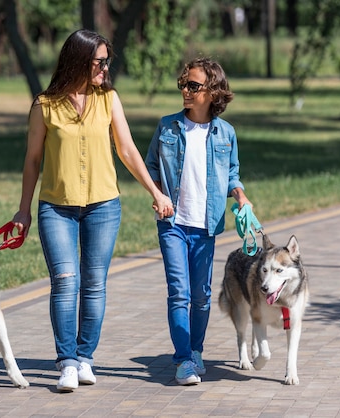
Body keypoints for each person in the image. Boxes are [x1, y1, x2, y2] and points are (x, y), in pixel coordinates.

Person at [12, 29, 174, 392]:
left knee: (95, 284)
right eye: (99, 61)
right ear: (78, 61)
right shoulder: (45, 105)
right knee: (66, 282)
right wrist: (23, 211)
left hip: (103, 205)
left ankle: (85, 357)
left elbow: (128, 150)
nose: (105, 68)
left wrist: (155, 192)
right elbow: (32, 161)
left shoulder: (108, 99)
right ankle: (66, 361)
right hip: (57, 207)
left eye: (106, 61)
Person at [145, 58, 252, 385]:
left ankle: (195, 350)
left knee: (202, 294)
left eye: (193, 86)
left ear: (213, 91)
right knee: (179, 292)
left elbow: (232, 172)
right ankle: (183, 362)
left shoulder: (226, 133)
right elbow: (150, 166)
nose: (186, 91)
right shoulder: (167, 127)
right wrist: (157, 193)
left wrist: (241, 197)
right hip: (172, 223)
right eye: (183, 84)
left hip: (206, 225)